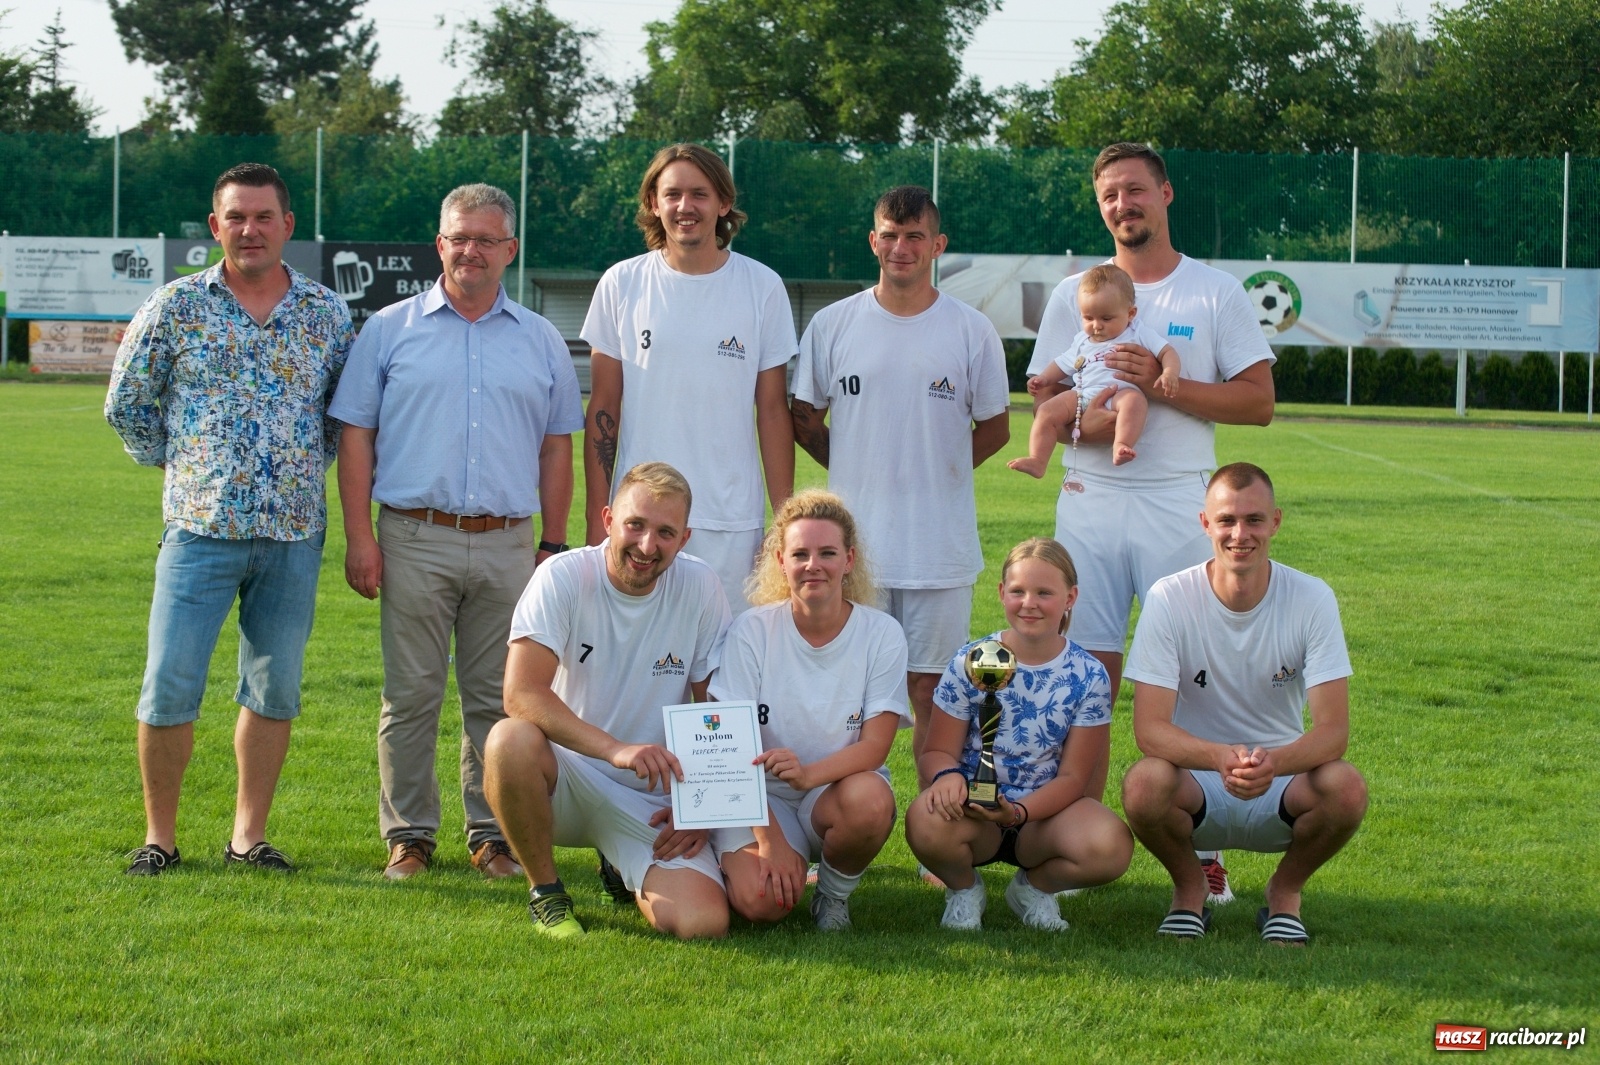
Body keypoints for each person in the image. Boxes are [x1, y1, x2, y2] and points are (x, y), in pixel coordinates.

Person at [1024, 142, 1277, 902]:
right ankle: (1078, 836)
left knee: (1185, 676)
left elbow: (1257, 402)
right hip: (1089, 503)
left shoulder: (1211, 291)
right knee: (1085, 677)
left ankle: (1200, 848)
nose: (1123, 204)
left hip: (1175, 498)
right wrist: (1085, 422)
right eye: (1109, 194)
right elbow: (1049, 400)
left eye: (1136, 189)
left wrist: (1163, 389)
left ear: (1166, 194)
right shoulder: (1078, 290)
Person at [329, 183, 583, 882]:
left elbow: (558, 446)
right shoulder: (388, 329)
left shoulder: (540, 341)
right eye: (457, 237)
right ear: (439, 244)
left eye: (485, 239)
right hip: (414, 534)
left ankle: (492, 835)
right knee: (410, 694)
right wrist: (360, 537)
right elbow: (356, 437)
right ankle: (408, 835)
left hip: (509, 541)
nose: (470, 250)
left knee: (495, 698)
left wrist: (553, 545)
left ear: (510, 249)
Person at [106, 162, 352, 875]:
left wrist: (302, 467)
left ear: (287, 227)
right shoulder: (175, 306)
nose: (250, 229)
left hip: (292, 535)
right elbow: (127, 403)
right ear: (215, 227)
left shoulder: (325, 314)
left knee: (274, 689)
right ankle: (160, 838)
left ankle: (249, 836)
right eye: (235, 217)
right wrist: (181, 465)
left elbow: (342, 416)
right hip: (198, 531)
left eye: (263, 216)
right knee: (169, 683)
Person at [791, 185, 1010, 786]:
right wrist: (857, 466)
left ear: (938, 245)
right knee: (844, 691)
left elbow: (995, 427)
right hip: (855, 552)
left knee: (932, 693)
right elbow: (803, 416)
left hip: (939, 549)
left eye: (915, 236)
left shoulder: (970, 329)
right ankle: (829, 821)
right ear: (873, 241)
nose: (901, 247)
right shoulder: (835, 324)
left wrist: (937, 467)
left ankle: (932, 831)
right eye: (890, 234)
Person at [484, 462, 732, 939]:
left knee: (703, 924)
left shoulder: (700, 586)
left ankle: (618, 868)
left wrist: (705, 807)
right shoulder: (561, 576)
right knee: (507, 741)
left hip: (652, 797)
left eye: (665, 532)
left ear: (684, 539)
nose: (646, 545)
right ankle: (547, 893)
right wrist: (615, 749)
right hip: (566, 778)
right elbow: (519, 693)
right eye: (635, 525)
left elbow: (713, 710)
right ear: (607, 520)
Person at [1120, 464, 1367, 943]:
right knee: (1144, 782)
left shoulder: (1312, 597)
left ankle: (1285, 894)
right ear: (1205, 524)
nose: (1240, 534)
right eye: (1227, 520)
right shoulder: (1169, 597)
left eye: (1254, 520)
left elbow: (1333, 731)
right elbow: (1149, 729)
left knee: (1347, 787)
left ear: (1275, 522)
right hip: (1199, 781)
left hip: (1282, 781)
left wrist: (1274, 762)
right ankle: (1190, 890)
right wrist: (1217, 755)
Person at [580, 143, 795, 611]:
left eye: (699, 194)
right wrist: (598, 516)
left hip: (731, 523)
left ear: (723, 203)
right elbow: (603, 408)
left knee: (726, 675)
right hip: (641, 524)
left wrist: (784, 525)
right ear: (653, 203)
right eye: (672, 193)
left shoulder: (763, 287)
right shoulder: (621, 283)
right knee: (638, 670)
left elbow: (774, 412)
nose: (685, 207)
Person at [905, 538, 1133, 931]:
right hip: (973, 815)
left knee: (1111, 845)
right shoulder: (971, 660)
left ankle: (1033, 889)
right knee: (922, 820)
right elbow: (936, 751)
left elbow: (1074, 779)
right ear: (1001, 593)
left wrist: (1020, 812)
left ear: (1070, 597)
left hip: (1043, 818)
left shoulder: (1088, 674)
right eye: (1018, 591)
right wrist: (949, 778)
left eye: (1044, 592)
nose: (1029, 603)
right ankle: (963, 889)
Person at [710, 490, 908, 932]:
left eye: (827, 553)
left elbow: (875, 747)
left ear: (849, 559)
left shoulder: (882, 634)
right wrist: (769, 839)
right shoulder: (752, 631)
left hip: (832, 791)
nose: (812, 565)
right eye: (800, 553)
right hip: (760, 797)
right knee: (762, 905)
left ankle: (833, 896)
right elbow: (727, 747)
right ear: (781, 560)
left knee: (872, 801)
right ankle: (724, 853)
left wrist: (807, 776)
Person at [1008, 263, 1180, 475]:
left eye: (1106, 319)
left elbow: (1167, 352)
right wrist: (1044, 379)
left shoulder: (1137, 333)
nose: (1097, 325)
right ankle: (1037, 459)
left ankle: (1121, 444)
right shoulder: (1082, 340)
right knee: (1046, 411)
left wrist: (1169, 372)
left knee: (1135, 402)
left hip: (1120, 392)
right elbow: (1063, 363)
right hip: (1081, 394)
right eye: (1088, 318)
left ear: (1131, 313)